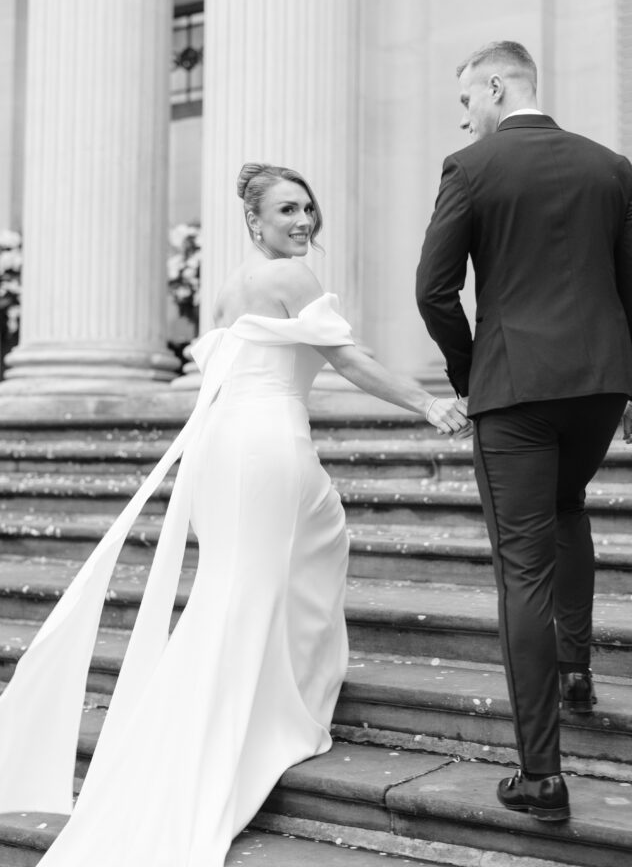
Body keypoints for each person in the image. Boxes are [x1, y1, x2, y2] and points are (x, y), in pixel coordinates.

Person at [0, 162, 467, 866]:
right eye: (285, 211)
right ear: (253, 222)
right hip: (263, 444)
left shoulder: (228, 288)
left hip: (226, 449)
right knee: (251, 590)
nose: (302, 221)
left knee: (289, 559)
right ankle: (258, 726)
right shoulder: (291, 280)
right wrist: (429, 402)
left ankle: (273, 706)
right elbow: (349, 361)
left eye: (307, 208)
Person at [415, 41, 632, 822]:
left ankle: (541, 778)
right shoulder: (609, 165)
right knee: (566, 512)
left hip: (515, 391)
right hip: (598, 385)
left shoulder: (472, 167)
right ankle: (575, 668)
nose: (464, 116)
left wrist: (471, 374)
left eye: (467, 99)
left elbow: (432, 291)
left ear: (497, 86)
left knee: (521, 567)